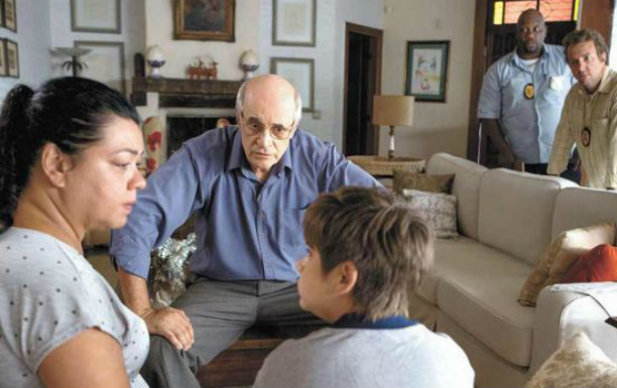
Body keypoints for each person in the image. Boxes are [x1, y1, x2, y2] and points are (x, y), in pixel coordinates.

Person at [109, 74, 379, 387]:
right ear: (238, 118)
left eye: (278, 129)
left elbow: (380, 210)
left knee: (366, 330)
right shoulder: (202, 154)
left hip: (299, 287)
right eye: (254, 125)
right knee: (156, 349)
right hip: (221, 288)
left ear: (293, 127)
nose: (265, 141)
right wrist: (143, 311)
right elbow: (136, 218)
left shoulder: (317, 157)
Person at [0, 77, 149, 387]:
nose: (139, 181)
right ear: (56, 164)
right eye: (122, 163)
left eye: (138, 165)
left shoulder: (22, 249)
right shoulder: (57, 282)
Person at [253, 187, 475, 388]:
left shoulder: (292, 363)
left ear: (344, 277)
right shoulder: (451, 358)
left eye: (311, 254)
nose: (299, 264)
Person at [478, 9, 574, 174]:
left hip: (564, 159)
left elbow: (586, 102)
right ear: (517, 33)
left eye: (536, 29)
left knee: (567, 201)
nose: (530, 35)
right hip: (520, 163)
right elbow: (487, 116)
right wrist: (509, 157)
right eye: (524, 30)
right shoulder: (498, 70)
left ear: (545, 31)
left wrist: (581, 151)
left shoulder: (565, 60)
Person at [547, 29, 617, 190]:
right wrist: (551, 182)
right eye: (574, 62)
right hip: (597, 187)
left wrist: (611, 192)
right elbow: (562, 140)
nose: (580, 67)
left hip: (614, 189)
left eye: (587, 58)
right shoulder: (574, 95)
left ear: (602, 58)